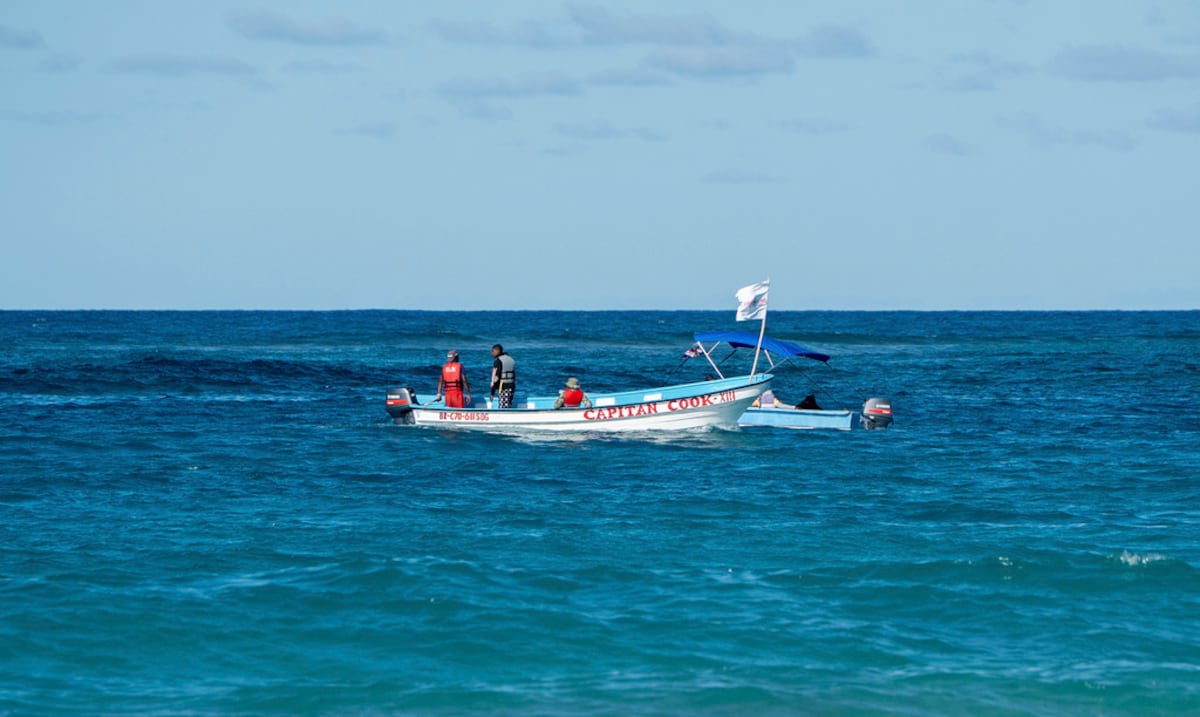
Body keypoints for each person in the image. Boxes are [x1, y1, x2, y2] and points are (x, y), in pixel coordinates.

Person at [490, 343, 516, 409]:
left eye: (493, 351)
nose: (492, 353)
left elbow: (496, 378)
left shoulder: (498, 361)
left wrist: (492, 393)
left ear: (497, 351)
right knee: (508, 405)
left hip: (503, 387)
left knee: (503, 406)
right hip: (512, 386)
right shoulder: (510, 359)